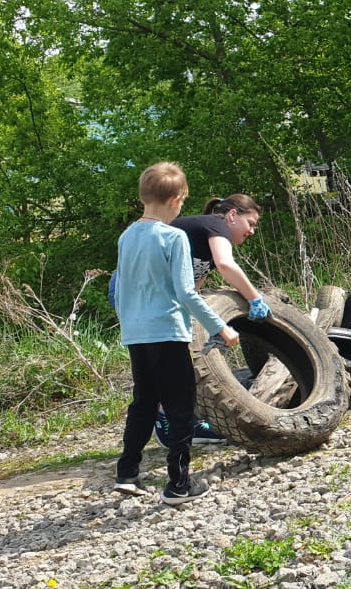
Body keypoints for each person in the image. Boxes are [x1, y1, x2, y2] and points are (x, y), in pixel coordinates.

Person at [111, 162, 239, 505]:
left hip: (136, 334)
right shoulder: (173, 237)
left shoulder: (127, 236)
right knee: (180, 406)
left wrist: (129, 324)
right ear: (177, 199)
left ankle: (127, 473)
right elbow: (186, 292)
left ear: (144, 196)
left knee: (144, 402)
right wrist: (220, 326)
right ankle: (179, 485)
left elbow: (122, 289)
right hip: (167, 332)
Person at [153, 194, 268, 446]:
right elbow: (227, 265)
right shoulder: (216, 226)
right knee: (171, 354)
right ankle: (166, 422)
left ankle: (181, 419)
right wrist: (255, 298)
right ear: (232, 215)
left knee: (180, 350)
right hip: (139, 290)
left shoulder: (204, 240)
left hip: (154, 294)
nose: (252, 231)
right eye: (251, 223)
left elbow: (192, 286)